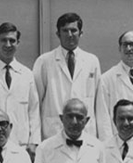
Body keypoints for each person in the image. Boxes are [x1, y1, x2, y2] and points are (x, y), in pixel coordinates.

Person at [0, 22, 40, 159]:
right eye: (3, 40)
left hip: (22, 145)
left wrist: (34, 141)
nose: (8, 45)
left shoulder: (27, 74)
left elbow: (33, 110)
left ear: (18, 43)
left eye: (12, 41)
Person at [33, 12, 101, 140]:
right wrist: (35, 139)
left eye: (73, 30)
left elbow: (99, 104)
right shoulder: (44, 61)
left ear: (81, 33)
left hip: (86, 133)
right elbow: (36, 103)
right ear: (58, 34)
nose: (70, 35)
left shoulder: (92, 61)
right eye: (65, 31)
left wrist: (103, 140)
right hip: (53, 132)